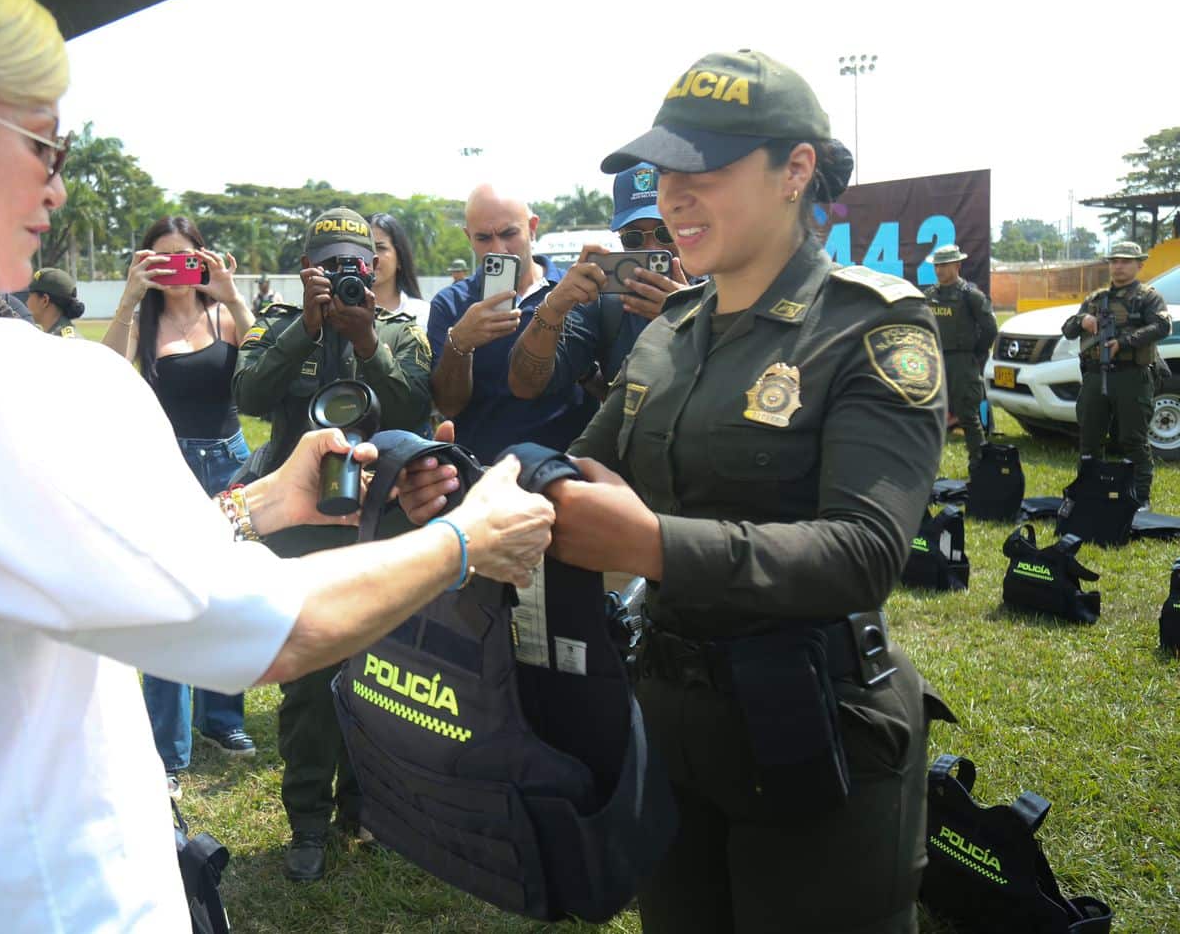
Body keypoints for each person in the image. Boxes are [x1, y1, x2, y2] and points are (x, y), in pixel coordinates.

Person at [0, 0, 554, 932]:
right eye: (46, 148)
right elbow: (265, 630)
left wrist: (259, 506)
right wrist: (468, 538)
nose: (57, 191)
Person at [406, 49, 951, 933]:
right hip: (664, 712)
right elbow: (572, 466)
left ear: (795, 171)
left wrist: (651, 543)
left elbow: (864, 553)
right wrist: (457, 491)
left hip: (812, 717)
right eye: (664, 175)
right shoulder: (671, 332)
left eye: (707, 169)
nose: (674, 197)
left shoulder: (872, 324)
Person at [232, 206, 434, 881]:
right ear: (306, 270)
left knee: (375, 676)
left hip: (377, 524)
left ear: (376, 266)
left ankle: (364, 805)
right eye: (330, 264)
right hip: (303, 528)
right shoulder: (277, 322)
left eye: (357, 261)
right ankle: (308, 822)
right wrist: (306, 330)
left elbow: (415, 411)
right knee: (309, 686)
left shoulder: (402, 332)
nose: (347, 272)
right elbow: (250, 393)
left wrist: (368, 342)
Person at [102, 216, 260, 795]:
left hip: (228, 462)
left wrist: (234, 297)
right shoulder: (141, 321)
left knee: (228, 596)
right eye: (160, 258)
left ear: (205, 258)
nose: (174, 270)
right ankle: (168, 748)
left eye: (183, 257)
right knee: (167, 602)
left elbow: (268, 361)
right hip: (166, 466)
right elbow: (107, 375)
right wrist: (128, 297)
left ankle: (224, 720)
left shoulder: (223, 312)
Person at [427, 184, 595, 462]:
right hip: (481, 472)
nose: (499, 248)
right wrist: (460, 344)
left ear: (532, 227)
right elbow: (449, 405)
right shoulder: (451, 304)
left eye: (509, 233)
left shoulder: (576, 292)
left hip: (566, 472)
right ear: (469, 238)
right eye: (483, 238)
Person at [507, 162, 690, 402]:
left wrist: (689, 319)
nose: (651, 248)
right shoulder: (605, 301)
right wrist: (553, 308)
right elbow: (525, 386)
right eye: (633, 237)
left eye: (664, 232)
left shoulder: (721, 289)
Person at [1062, 241, 1171, 507]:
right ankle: (1089, 492)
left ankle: (1139, 498)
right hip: (1096, 376)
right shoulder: (1096, 299)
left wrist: (1125, 341)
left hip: (1132, 377)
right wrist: (1082, 320)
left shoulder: (1148, 297)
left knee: (1133, 440)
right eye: (1114, 261)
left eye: (1125, 261)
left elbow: (1162, 325)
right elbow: (1068, 329)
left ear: (1139, 265)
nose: (1118, 266)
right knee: (1089, 438)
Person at [924, 244, 998, 464]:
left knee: (968, 416)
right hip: (935, 362)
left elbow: (990, 328)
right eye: (937, 265)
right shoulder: (929, 295)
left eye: (944, 265)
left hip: (961, 362)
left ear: (957, 265)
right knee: (930, 416)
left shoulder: (971, 296)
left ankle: (979, 467)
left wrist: (976, 352)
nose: (939, 270)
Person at [368, 212, 432, 321]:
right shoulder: (340, 312)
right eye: (366, 248)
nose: (373, 256)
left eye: (380, 248)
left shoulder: (423, 314)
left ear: (400, 258)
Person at [24, 265, 83, 336]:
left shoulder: (64, 341)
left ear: (44, 300)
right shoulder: (54, 334)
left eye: (29, 295)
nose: (26, 302)